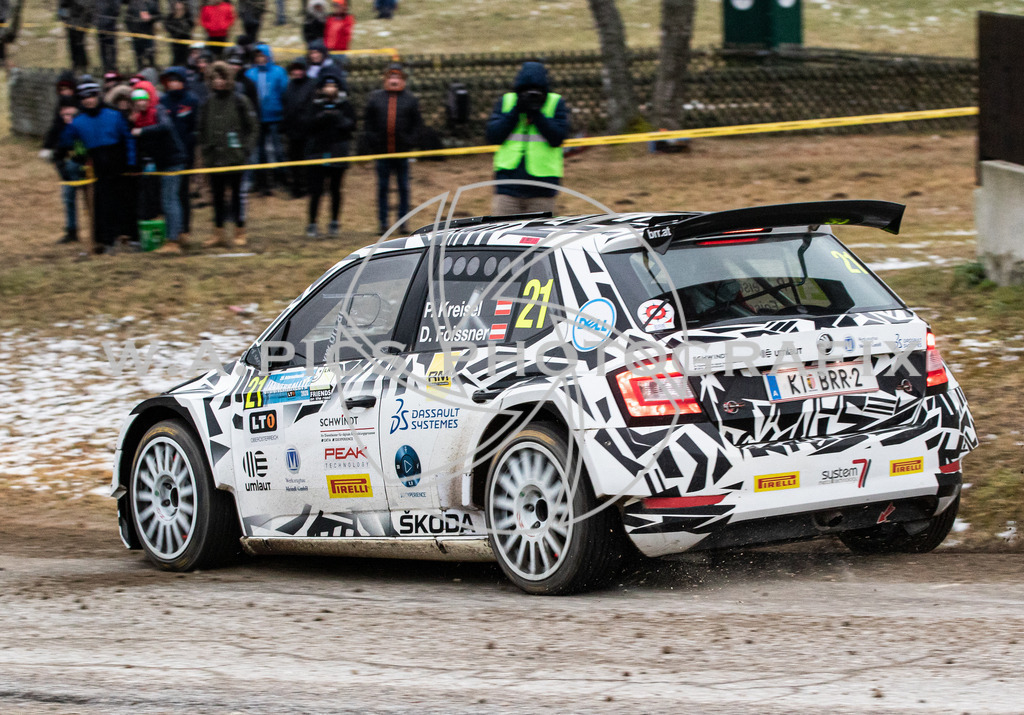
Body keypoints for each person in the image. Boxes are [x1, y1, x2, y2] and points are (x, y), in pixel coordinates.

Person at [59, 78, 136, 255]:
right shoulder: (78, 121)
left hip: (119, 163)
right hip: (97, 166)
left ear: (97, 96)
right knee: (102, 205)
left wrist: (131, 162)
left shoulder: (114, 115)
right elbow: (66, 142)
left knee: (124, 202)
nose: (89, 100)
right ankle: (105, 240)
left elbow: (128, 139)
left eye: (92, 96)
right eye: (84, 97)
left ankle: (128, 236)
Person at [485, 60, 570, 215]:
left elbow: (557, 138)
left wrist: (537, 114)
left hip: (543, 188)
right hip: (507, 187)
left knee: (539, 238)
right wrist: (517, 110)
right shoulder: (507, 102)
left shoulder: (555, 103)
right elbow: (494, 136)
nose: (532, 96)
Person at [198, 61, 257, 248]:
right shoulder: (208, 103)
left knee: (237, 197)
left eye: (222, 78)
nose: (218, 82)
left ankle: (240, 231)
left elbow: (253, 127)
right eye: (214, 78)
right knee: (217, 197)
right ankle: (218, 233)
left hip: (235, 159)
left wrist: (245, 149)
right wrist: (206, 149)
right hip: (214, 159)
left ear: (228, 79)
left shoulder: (240, 101)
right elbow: (201, 129)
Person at [362, 63, 422, 234]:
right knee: (383, 187)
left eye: (397, 77)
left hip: (402, 153)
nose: (394, 80)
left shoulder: (410, 100)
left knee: (403, 188)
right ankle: (383, 223)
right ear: (386, 79)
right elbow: (368, 123)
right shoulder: (375, 98)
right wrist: (373, 141)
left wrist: (410, 142)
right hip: (382, 152)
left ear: (402, 80)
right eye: (391, 77)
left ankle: (403, 223)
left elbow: (417, 125)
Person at [130, 86, 188, 253]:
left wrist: (141, 131)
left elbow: (165, 126)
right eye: (137, 101)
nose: (140, 103)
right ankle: (178, 234)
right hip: (162, 163)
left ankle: (173, 241)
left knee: (169, 200)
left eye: (143, 99)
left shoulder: (158, 110)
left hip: (174, 160)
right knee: (169, 200)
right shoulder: (139, 118)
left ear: (149, 99)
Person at [304, 74, 354, 238]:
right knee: (316, 190)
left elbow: (350, 126)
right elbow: (307, 125)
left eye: (333, 86)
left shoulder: (345, 105)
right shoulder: (315, 105)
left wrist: (337, 117)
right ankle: (312, 223)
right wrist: (323, 117)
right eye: (327, 86)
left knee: (335, 190)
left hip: (338, 153)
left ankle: (334, 222)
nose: (330, 89)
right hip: (318, 152)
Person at [160, 66, 200, 246]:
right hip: (167, 155)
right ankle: (172, 230)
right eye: (170, 80)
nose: (173, 84)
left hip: (187, 154)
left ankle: (184, 230)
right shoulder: (162, 102)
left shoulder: (192, 101)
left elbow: (196, 128)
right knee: (169, 194)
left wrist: (192, 145)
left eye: (176, 80)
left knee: (183, 193)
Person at [244, 43, 288, 195]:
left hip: (275, 117)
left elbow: (284, 92)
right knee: (260, 151)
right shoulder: (250, 74)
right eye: (258, 56)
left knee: (278, 150)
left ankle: (281, 178)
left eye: (263, 56)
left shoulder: (278, 72)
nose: (260, 59)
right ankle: (262, 182)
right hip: (258, 118)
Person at [51, 98, 89, 245]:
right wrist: (61, 167)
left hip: (87, 169)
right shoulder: (61, 130)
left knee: (91, 201)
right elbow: (58, 153)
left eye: (70, 113)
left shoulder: (83, 126)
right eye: (64, 114)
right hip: (70, 170)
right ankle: (71, 231)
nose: (67, 117)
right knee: (68, 199)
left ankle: (97, 231)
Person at [281, 57, 316, 198]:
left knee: (308, 160)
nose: (297, 72)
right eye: (294, 69)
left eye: (299, 69)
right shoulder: (290, 85)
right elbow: (287, 104)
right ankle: (296, 187)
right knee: (294, 160)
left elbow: (311, 107)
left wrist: (306, 122)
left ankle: (308, 186)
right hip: (293, 130)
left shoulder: (311, 85)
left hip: (306, 130)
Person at [57, 0, 92, 72]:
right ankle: (78, 65)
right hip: (72, 19)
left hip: (80, 18)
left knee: (78, 43)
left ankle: (81, 65)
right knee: (74, 43)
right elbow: (63, 4)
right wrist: (63, 18)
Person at [125, 0, 160, 70]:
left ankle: (152, 71)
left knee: (150, 55)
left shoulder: (152, 3)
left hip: (148, 34)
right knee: (138, 57)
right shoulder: (133, 3)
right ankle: (140, 72)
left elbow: (159, 15)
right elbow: (126, 18)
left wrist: (150, 17)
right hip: (136, 35)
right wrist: (131, 30)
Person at [165, 1, 195, 66]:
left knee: (186, 57)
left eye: (181, 8)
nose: (179, 9)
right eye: (177, 8)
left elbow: (190, 26)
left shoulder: (187, 16)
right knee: (176, 57)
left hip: (186, 40)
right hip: (175, 41)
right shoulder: (171, 17)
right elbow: (168, 26)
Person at [94, 0, 120, 72]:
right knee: (105, 47)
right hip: (103, 25)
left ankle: (111, 66)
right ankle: (107, 66)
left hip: (108, 25)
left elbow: (116, 10)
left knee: (109, 47)